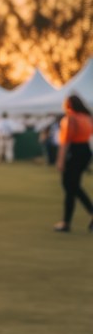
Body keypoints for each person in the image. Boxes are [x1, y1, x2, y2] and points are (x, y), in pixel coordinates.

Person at [53, 95, 93, 232]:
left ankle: (66, 222)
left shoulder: (70, 119)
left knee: (70, 187)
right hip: (86, 151)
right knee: (74, 186)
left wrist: (60, 161)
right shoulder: (87, 117)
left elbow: (65, 142)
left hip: (74, 152)